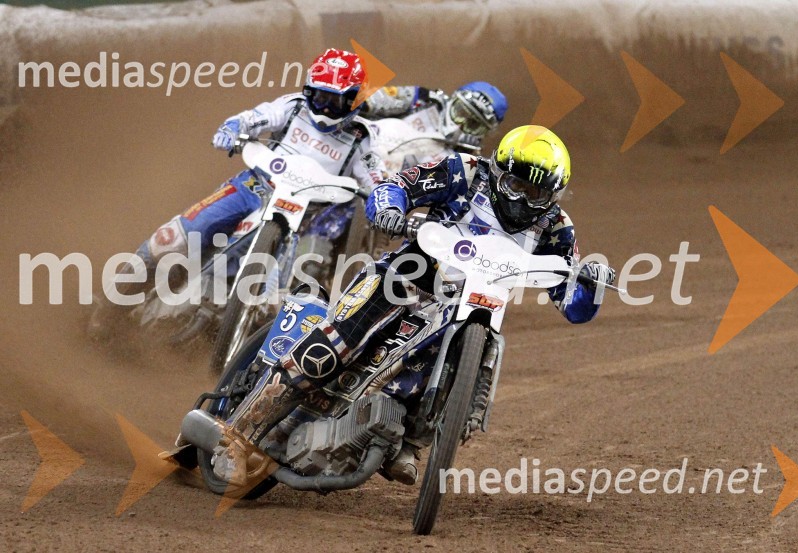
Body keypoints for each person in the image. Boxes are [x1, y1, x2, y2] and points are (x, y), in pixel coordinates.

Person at [207, 125, 616, 487]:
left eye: (538, 193)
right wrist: (388, 208)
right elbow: (397, 185)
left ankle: (410, 438)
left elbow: (573, 303)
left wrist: (590, 284)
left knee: (471, 364)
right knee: (330, 351)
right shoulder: (462, 171)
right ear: (497, 172)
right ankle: (237, 437)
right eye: (516, 186)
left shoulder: (557, 227)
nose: (525, 200)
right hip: (404, 277)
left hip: (466, 310)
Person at [88, 48, 388, 337]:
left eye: (335, 102)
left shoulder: (363, 139)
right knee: (173, 238)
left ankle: (238, 342)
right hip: (253, 187)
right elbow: (255, 117)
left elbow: (377, 179)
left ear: (354, 101)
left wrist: (385, 203)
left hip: (305, 217)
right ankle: (109, 306)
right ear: (309, 91)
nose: (324, 109)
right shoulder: (293, 106)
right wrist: (231, 129)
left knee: (280, 301)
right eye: (320, 97)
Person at [362, 81, 508, 153]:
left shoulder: (467, 160)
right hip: (361, 149)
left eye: (474, 125)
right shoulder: (423, 99)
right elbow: (379, 98)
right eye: (461, 112)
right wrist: (363, 103)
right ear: (453, 99)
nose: (461, 126)